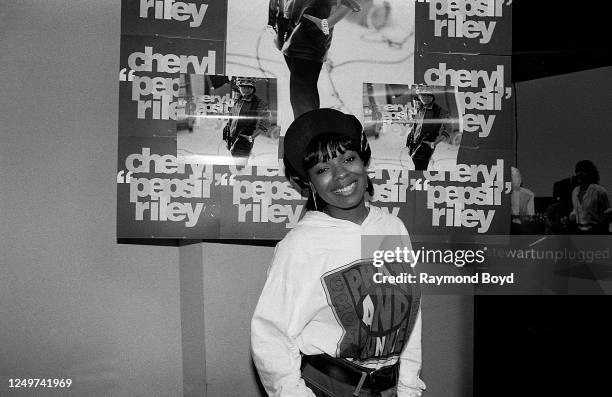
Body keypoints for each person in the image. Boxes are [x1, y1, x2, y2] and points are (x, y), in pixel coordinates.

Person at [251, 108, 425, 396]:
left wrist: (408, 385)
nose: (341, 174)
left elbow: (408, 316)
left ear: (363, 161)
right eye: (322, 169)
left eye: (348, 158)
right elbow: (270, 335)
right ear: (308, 182)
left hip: (388, 388)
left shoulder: (389, 228)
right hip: (328, 388)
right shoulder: (303, 244)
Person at [268, 0, 364, 118]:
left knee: (301, 97)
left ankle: (307, 133)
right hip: (286, 33)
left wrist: (328, 23)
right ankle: (311, 132)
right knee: (304, 94)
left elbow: (351, 2)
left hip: (309, 38)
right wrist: (273, 23)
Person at [223, 77, 271, 159]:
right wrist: (227, 131)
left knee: (240, 161)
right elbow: (232, 117)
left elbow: (266, 123)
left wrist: (251, 137)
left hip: (245, 138)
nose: (246, 89)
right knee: (235, 158)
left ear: (253, 88)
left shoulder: (259, 103)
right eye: (243, 87)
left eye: (249, 87)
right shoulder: (237, 100)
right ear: (239, 87)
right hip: (232, 137)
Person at [405, 85, 450, 171]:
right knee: (417, 168)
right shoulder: (419, 108)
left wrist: (434, 143)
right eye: (423, 95)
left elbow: (448, 130)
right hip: (413, 145)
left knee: (420, 169)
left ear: (433, 96)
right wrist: (410, 139)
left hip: (426, 146)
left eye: (429, 95)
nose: (426, 98)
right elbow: (416, 125)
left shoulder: (440, 111)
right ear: (419, 96)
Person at [569, 160, 611, 234]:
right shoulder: (575, 191)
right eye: (578, 171)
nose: (579, 174)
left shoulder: (599, 191)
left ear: (590, 174)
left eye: (583, 171)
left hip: (596, 232)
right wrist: (572, 215)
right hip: (579, 231)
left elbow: (609, 212)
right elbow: (575, 210)